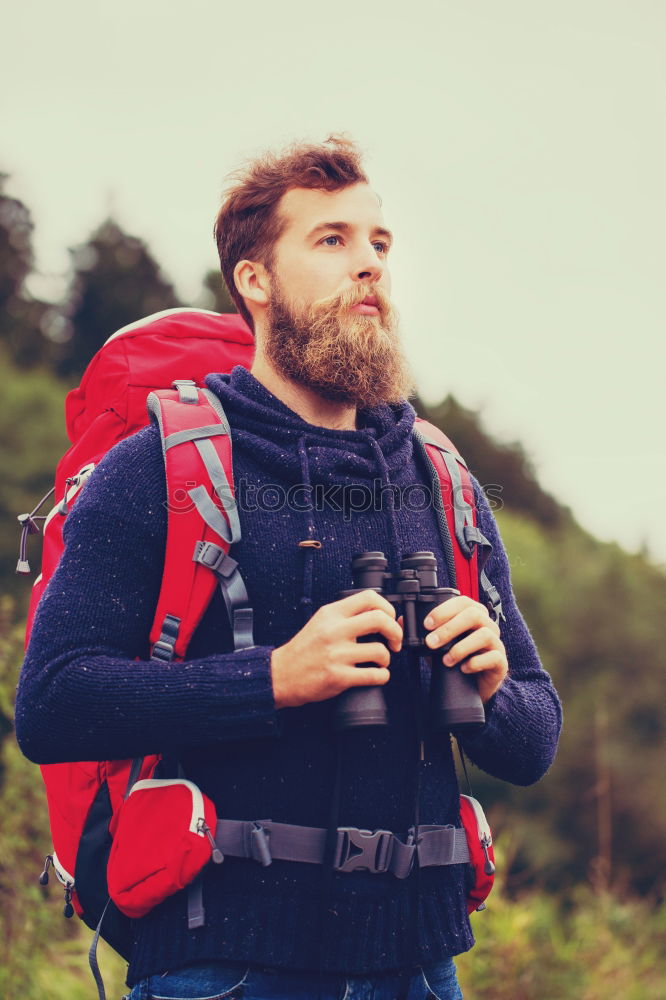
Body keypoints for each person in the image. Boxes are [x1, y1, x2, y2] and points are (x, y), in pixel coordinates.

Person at [16, 136, 562, 1000]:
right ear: (255, 281)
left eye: (380, 243)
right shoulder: (160, 466)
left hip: (419, 967)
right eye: (333, 240)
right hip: (223, 966)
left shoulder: (441, 479)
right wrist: (274, 678)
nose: (370, 266)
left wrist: (493, 687)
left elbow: (534, 741)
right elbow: (50, 705)